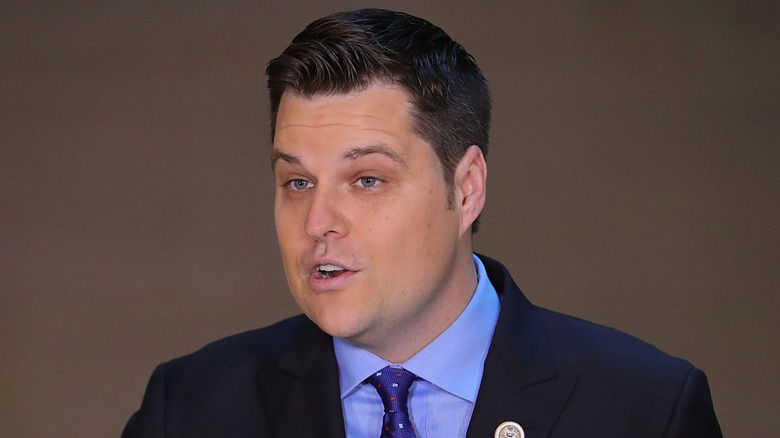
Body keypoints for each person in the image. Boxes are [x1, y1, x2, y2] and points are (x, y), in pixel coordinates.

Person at [122, 8, 722, 438]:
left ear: (467, 188)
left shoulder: (646, 408)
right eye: (297, 182)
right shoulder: (190, 408)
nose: (318, 222)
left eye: (367, 181)